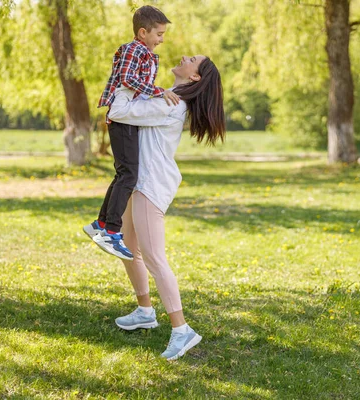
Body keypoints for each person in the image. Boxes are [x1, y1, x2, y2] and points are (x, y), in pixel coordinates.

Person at [106, 55, 225, 360]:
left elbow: (119, 111)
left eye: (193, 60)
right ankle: (145, 309)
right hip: (140, 182)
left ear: (195, 77)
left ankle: (182, 330)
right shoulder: (165, 97)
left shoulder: (170, 104)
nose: (186, 56)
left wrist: (123, 81)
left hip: (150, 185)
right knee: (129, 248)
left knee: (155, 259)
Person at [83, 5, 180, 261]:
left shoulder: (144, 52)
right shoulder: (134, 49)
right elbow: (127, 79)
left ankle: (101, 225)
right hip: (122, 119)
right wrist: (159, 91)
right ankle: (112, 230)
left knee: (125, 173)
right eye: (159, 34)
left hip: (127, 120)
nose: (162, 39)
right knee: (129, 175)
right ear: (143, 32)